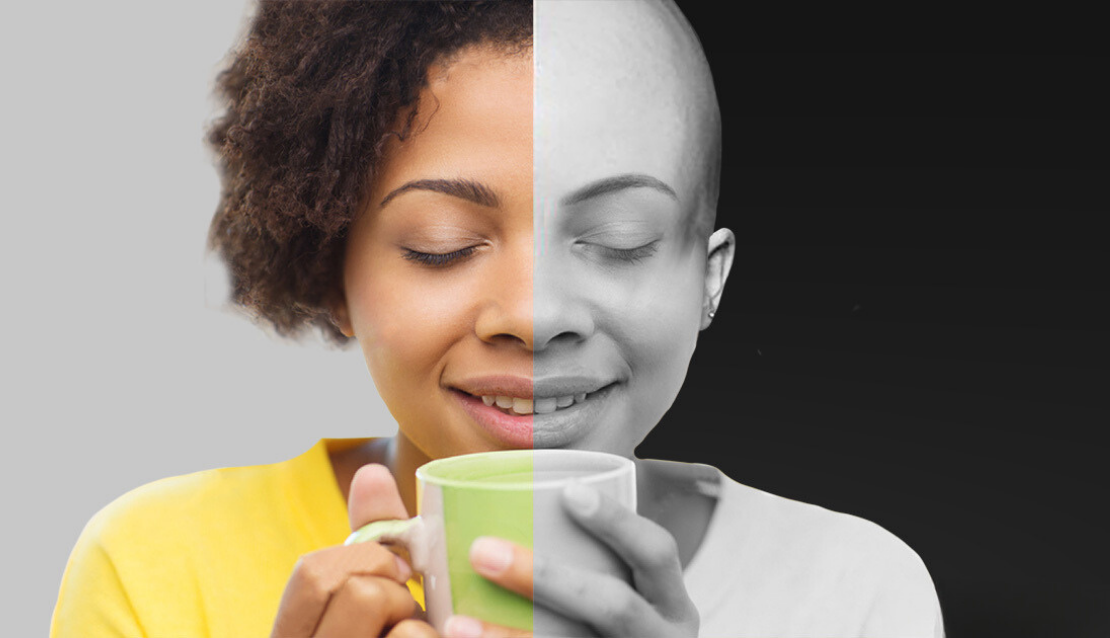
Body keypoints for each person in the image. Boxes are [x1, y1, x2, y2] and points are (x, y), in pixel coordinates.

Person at [50, 1, 943, 637]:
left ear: (707, 280)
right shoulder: (157, 565)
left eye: (619, 238)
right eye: (441, 244)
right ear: (332, 273)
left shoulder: (853, 591)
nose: (533, 313)